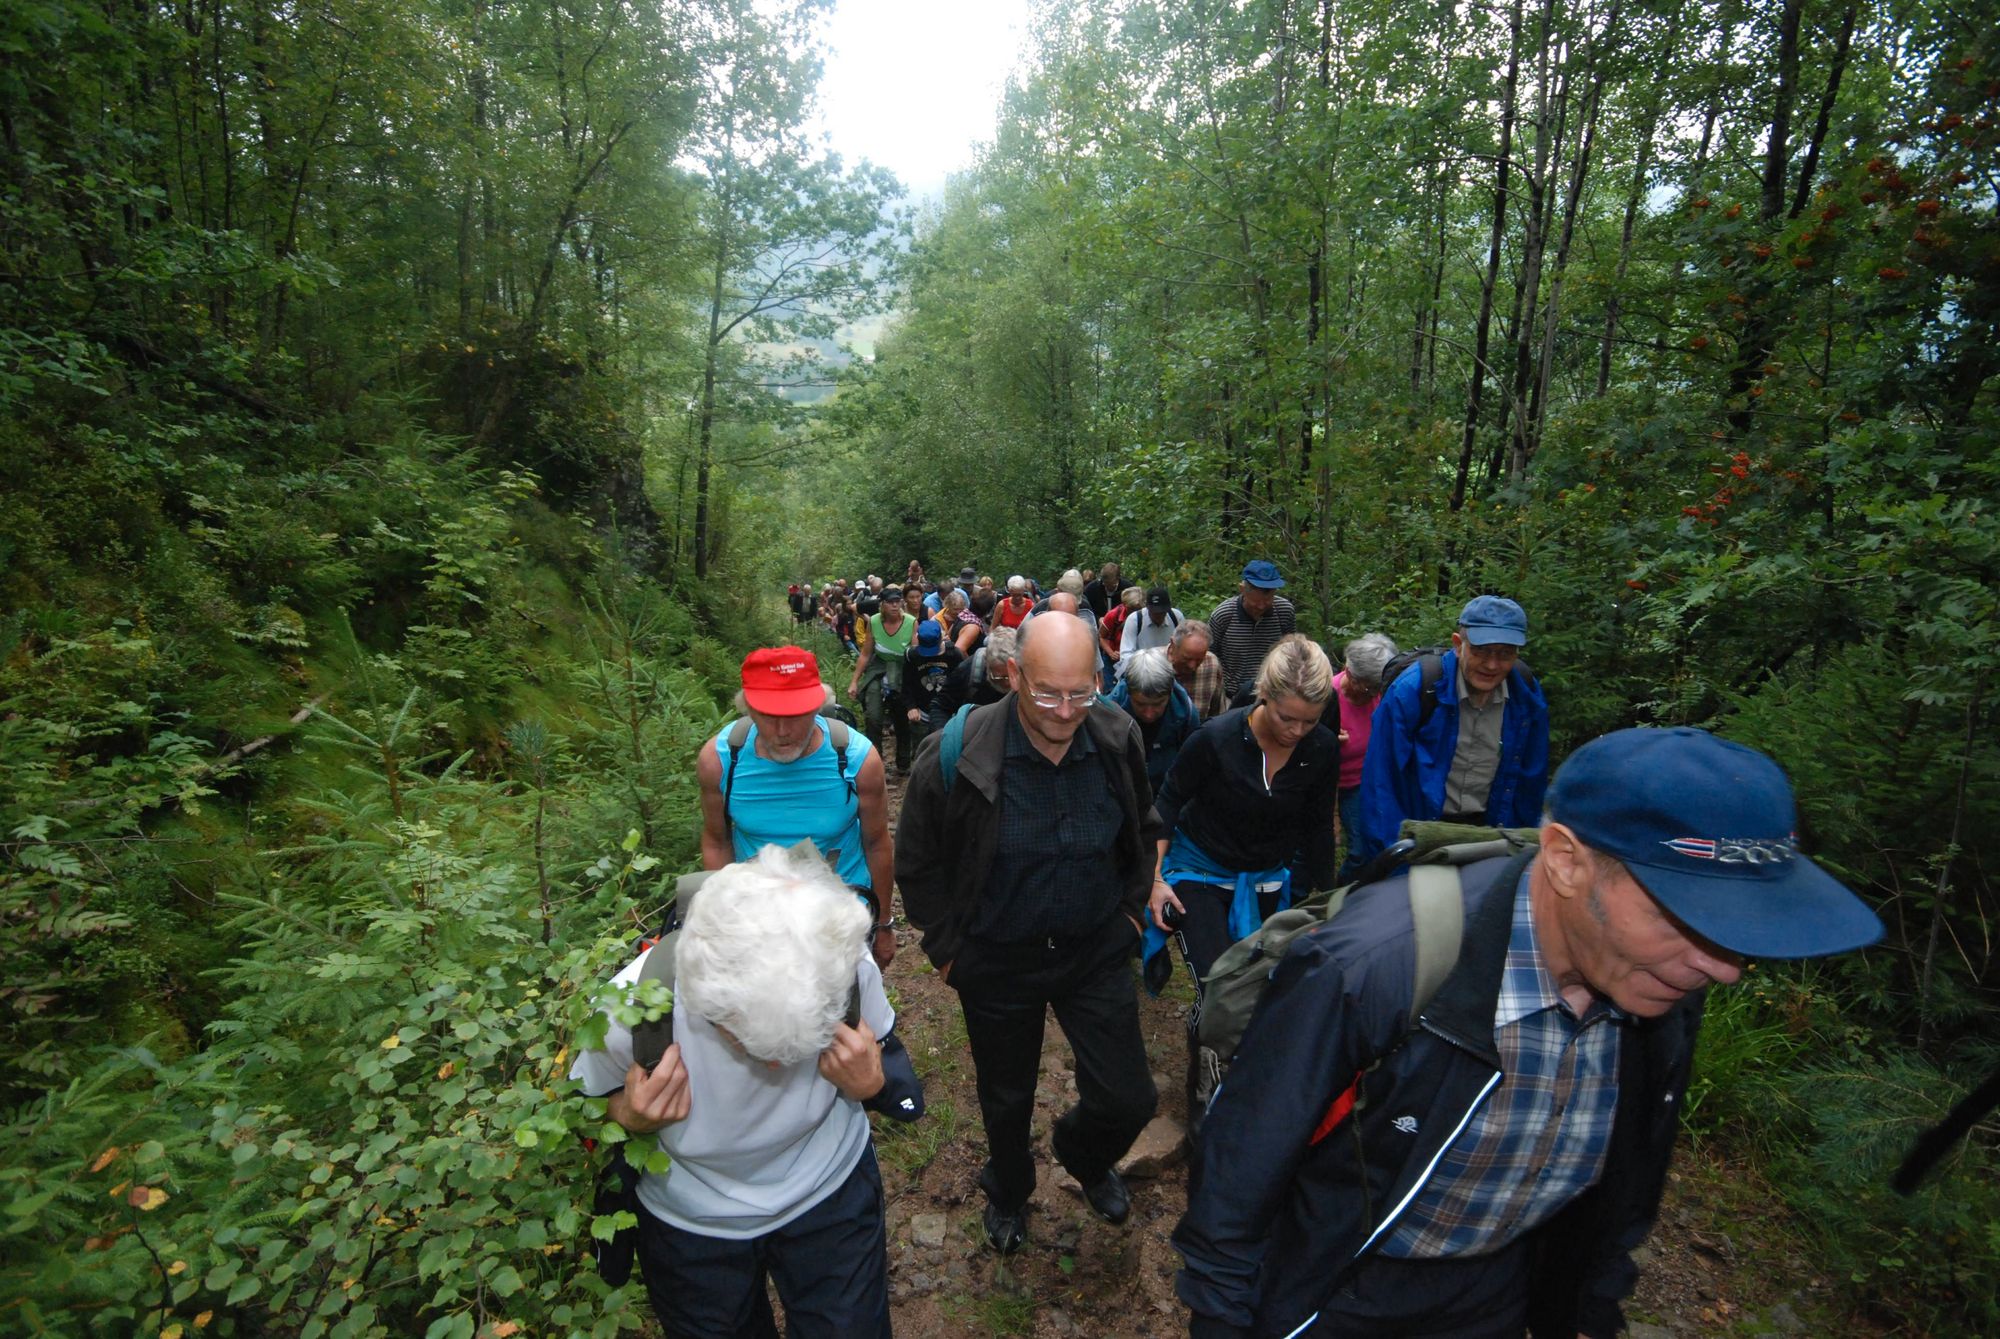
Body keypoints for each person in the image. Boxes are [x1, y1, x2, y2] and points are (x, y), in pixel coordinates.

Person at [1173, 726, 1884, 1339]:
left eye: (1735, 932)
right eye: (1689, 915)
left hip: (1495, 1292)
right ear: (1568, 860)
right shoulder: (1372, 967)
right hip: (1339, 1290)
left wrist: (1589, 1305)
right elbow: (1240, 1169)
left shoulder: (1661, 978)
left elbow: (1631, 1176)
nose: (1721, 969)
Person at [571, 846, 926, 1339]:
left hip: (830, 1193)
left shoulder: (836, 955)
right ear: (704, 1002)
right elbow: (583, 1109)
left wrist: (874, 1084)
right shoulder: (629, 1011)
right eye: (754, 1045)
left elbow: (883, 1050)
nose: (780, 1063)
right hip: (693, 1227)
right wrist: (628, 1116)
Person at [895, 612, 1161, 1255]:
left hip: (1094, 948)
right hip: (997, 959)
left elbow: (1142, 827)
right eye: (1047, 692)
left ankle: (1084, 1153)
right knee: (1006, 1097)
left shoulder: (1116, 735)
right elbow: (917, 861)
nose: (1065, 710)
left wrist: (1129, 916)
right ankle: (1009, 1189)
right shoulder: (959, 750)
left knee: (1130, 1098)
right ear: (1013, 674)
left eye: (1081, 692)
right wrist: (948, 951)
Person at [1144, 635, 1341, 1125]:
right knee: (1219, 985)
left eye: (1309, 721)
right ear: (1263, 696)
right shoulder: (1216, 739)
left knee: (1267, 986)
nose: (1296, 730)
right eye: (1285, 717)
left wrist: (1328, 903)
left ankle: (1245, 1072)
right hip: (1200, 870)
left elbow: (1318, 829)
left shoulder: (1319, 751)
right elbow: (1165, 806)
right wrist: (1153, 879)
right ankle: (1204, 1088)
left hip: (1269, 876)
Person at [699, 646, 897, 968]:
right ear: (747, 708)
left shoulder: (857, 758)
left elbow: (877, 843)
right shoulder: (721, 761)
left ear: (818, 706)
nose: (782, 732)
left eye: (795, 715)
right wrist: (721, 920)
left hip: (843, 917)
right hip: (759, 921)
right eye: (767, 715)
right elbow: (716, 840)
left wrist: (883, 924)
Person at [1353, 595, 1549, 864]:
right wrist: (1392, 862)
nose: (1492, 665)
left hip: (1489, 833)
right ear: (1459, 644)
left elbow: (1530, 781)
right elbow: (1380, 786)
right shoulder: (1414, 691)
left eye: (1504, 653)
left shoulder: (1525, 696)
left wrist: (1519, 849)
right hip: (1421, 832)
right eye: (1481, 650)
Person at [1332, 632, 1398, 880]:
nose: (1373, 693)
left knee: (1367, 846)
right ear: (1350, 673)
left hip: (1369, 780)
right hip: (1335, 784)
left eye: (1378, 687)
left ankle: (1350, 890)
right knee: (1356, 849)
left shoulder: (1383, 694)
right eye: (1369, 686)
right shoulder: (1326, 696)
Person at [1107, 646, 1199, 794]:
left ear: (1169, 693)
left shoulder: (1186, 713)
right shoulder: (1109, 714)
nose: (1149, 714)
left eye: (1158, 704)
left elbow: (1191, 765)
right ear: (1129, 692)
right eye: (1140, 704)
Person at [848, 585, 917, 775]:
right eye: (890, 602)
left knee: (901, 716)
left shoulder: (911, 622)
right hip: (878, 667)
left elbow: (915, 654)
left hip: (903, 667)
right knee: (873, 716)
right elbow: (865, 653)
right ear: (882, 605)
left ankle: (903, 763)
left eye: (898, 601)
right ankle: (875, 762)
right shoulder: (875, 622)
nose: (895, 606)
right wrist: (854, 681)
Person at [1207, 561, 1297, 698]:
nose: (1261, 607)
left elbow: (1290, 649)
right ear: (1242, 589)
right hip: (1231, 694)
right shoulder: (1224, 615)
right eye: (1255, 602)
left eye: (1267, 601)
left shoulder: (1284, 611)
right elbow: (1210, 656)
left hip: (1271, 692)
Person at [902, 619, 965, 743]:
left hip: (948, 712)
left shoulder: (953, 654)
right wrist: (911, 707)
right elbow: (906, 683)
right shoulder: (912, 656)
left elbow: (961, 685)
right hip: (922, 712)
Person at [944, 625, 1019, 714]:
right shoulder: (969, 669)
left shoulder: (1032, 671)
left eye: (1014, 675)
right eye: (1000, 678)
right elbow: (941, 706)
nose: (1009, 683)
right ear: (987, 664)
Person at [1169, 620, 1229, 722]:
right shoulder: (1154, 665)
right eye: (1187, 658)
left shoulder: (1212, 664)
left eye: (1199, 660)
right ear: (1173, 646)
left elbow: (1218, 713)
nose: (1192, 666)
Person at [1118, 585, 1184, 674]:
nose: (1158, 615)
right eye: (1154, 612)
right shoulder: (1134, 620)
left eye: (1162, 612)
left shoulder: (1176, 617)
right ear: (1147, 607)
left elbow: (1184, 646)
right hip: (1143, 671)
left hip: (1171, 670)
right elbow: (1126, 654)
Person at [942, 588, 986, 657]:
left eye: (961, 609)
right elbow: (959, 649)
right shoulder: (938, 619)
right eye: (955, 609)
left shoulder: (962, 616)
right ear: (948, 607)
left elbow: (949, 636)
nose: (959, 612)